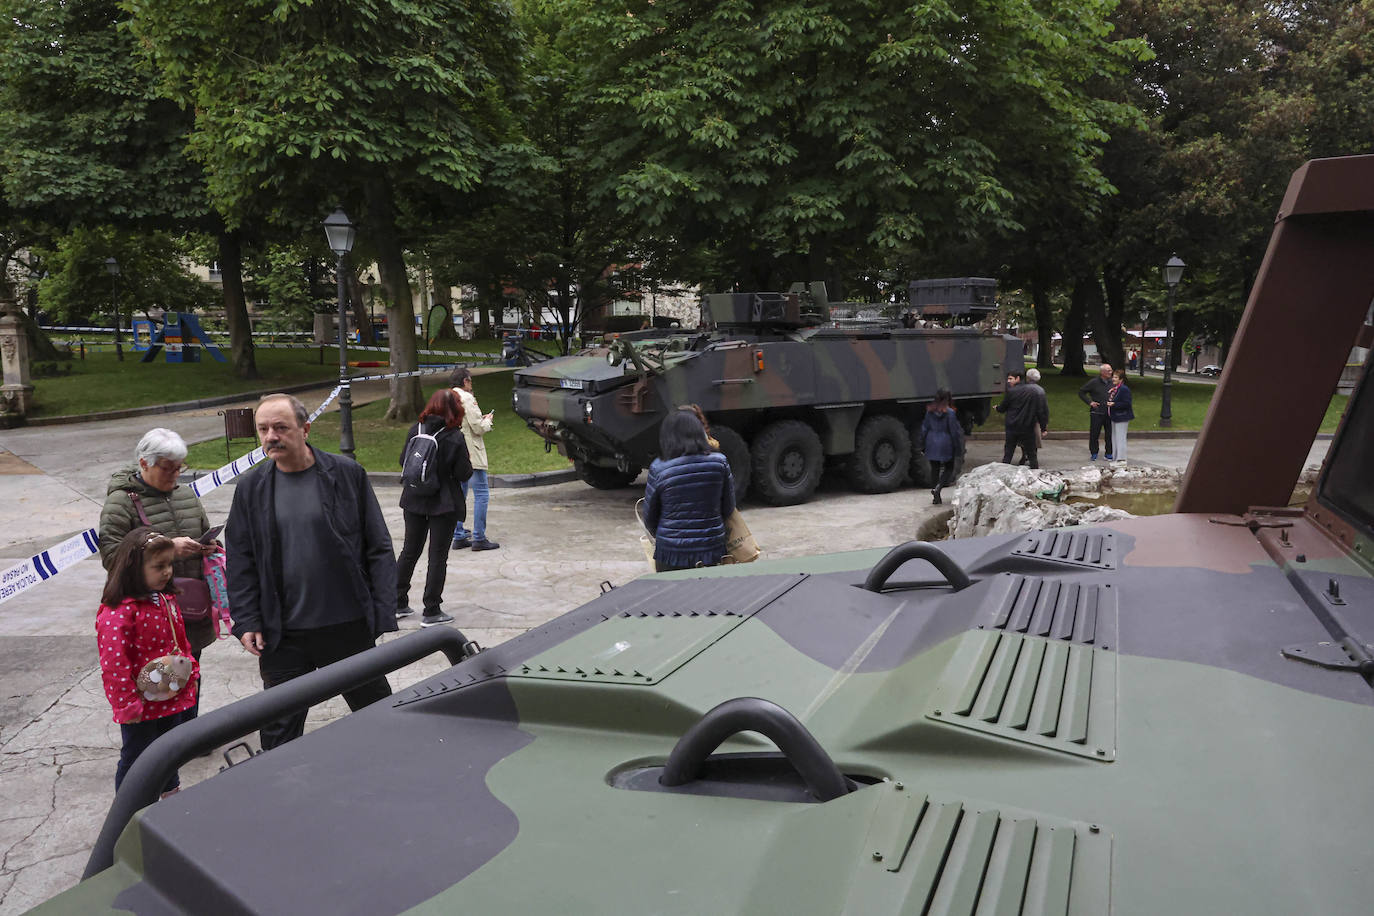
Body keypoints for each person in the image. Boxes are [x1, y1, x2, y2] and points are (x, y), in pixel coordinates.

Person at [226, 394, 397, 750]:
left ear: (305, 429)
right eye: (263, 429)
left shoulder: (347, 474)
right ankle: (279, 798)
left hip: (347, 628)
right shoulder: (251, 488)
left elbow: (378, 546)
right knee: (278, 733)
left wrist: (382, 613)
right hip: (283, 635)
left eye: (280, 427)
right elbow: (241, 560)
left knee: (381, 718)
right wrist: (246, 620)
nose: (270, 436)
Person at [98, 428, 217, 720]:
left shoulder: (186, 495)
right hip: (147, 615)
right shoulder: (121, 502)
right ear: (144, 463)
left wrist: (209, 546)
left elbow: (203, 530)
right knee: (155, 684)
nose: (176, 475)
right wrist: (168, 550)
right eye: (168, 468)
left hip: (188, 607)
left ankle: (188, 735)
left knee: (188, 671)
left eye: (180, 468)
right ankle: (160, 740)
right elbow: (112, 557)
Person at [96, 527, 199, 797]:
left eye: (169, 565)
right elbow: (114, 665)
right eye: (159, 566)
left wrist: (192, 673)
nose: (167, 572)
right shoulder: (118, 612)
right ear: (133, 568)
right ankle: (130, 806)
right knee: (137, 758)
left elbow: (181, 642)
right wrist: (127, 704)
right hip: (140, 705)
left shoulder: (166, 598)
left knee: (168, 750)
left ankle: (170, 795)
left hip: (169, 693)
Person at [396, 389, 473, 627]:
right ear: (455, 410)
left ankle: (396, 602)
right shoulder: (453, 437)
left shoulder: (415, 429)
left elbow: (403, 461)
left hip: (414, 498)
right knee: (437, 556)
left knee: (409, 551)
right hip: (443, 502)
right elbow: (464, 473)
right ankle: (431, 610)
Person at [642, 410, 735, 572]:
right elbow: (728, 508)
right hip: (711, 550)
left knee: (674, 597)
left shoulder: (659, 468)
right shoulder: (720, 463)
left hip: (671, 553)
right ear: (699, 432)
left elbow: (650, 517)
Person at [449, 367, 499, 552]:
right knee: (481, 493)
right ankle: (479, 537)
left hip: (454, 451)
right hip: (471, 451)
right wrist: (488, 420)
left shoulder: (447, 397)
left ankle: (458, 534)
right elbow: (477, 428)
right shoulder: (467, 398)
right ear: (465, 381)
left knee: (459, 492)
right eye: (470, 381)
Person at [919, 388, 964, 504]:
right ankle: (939, 487)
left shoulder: (929, 411)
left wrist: (922, 444)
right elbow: (954, 432)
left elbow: (924, 428)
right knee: (949, 468)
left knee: (935, 468)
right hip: (945, 443)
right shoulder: (950, 413)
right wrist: (958, 448)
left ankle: (935, 494)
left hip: (931, 441)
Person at [996, 371, 1047, 469]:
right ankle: (1035, 474)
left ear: (1018, 378)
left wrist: (997, 408)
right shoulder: (1033, 392)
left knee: (1008, 453)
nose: (1008, 381)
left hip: (1012, 426)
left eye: (1010, 378)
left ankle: (1002, 473)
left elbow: (1003, 407)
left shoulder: (1011, 391)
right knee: (1032, 455)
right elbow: (1040, 411)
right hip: (1027, 426)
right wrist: (1043, 427)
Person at [1078, 363, 1115, 460]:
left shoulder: (1113, 382)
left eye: (1111, 370)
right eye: (1108, 371)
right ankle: (1094, 452)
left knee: (1110, 434)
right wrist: (1090, 402)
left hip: (1110, 412)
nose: (1110, 373)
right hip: (1097, 412)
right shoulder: (1094, 382)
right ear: (1102, 372)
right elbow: (1081, 392)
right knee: (1094, 433)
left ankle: (1109, 453)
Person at [1106, 368, 1135, 464]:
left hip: (1122, 417)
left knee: (1120, 438)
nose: (1113, 379)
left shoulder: (1124, 389)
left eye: (1115, 377)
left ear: (1121, 379)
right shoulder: (1116, 389)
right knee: (1114, 437)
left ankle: (1121, 458)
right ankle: (1115, 457)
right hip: (1115, 417)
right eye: (1113, 377)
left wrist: (1114, 404)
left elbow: (1127, 403)